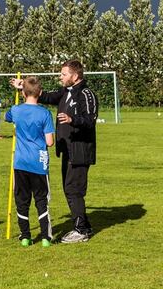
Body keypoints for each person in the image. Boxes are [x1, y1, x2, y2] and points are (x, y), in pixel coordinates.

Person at [11, 60, 98, 243]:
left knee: (74, 190)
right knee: (70, 189)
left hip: (80, 150)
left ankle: (81, 231)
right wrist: (24, 87)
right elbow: (45, 97)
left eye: (63, 74)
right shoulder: (65, 92)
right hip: (67, 150)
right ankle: (83, 225)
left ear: (75, 76)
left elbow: (90, 120)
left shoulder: (86, 94)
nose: (61, 77)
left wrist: (72, 119)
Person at [4, 77, 55, 246]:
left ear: (24, 93)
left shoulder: (16, 110)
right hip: (39, 163)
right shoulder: (45, 113)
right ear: (40, 93)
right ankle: (46, 238)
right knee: (41, 200)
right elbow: (49, 142)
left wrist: (19, 89)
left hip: (20, 163)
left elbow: (8, 117)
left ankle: (25, 236)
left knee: (22, 201)